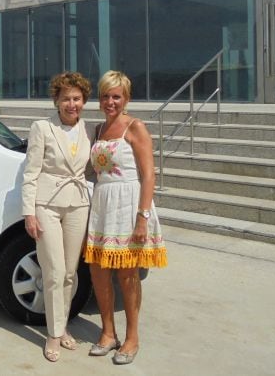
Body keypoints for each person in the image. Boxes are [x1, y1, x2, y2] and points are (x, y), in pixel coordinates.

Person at [85, 70, 168, 365]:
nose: (110, 101)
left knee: (127, 273)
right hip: (103, 204)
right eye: (106, 95)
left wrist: (142, 218)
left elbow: (148, 176)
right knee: (97, 270)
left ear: (126, 98)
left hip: (129, 203)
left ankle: (132, 337)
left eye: (116, 96)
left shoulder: (135, 127)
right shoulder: (97, 130)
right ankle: (108, 333)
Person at [21, 72, 93, 363]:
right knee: (52, 271)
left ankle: (62, 328)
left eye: (76, 98)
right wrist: (29, 212)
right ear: (56, 100)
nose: (71, 104)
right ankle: (52, 333)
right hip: (47, 204)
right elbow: (31, 172)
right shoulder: (42, 127)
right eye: (66, 98)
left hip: (78, 204)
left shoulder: (91, 131)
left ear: (84, 101)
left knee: (69, 273)